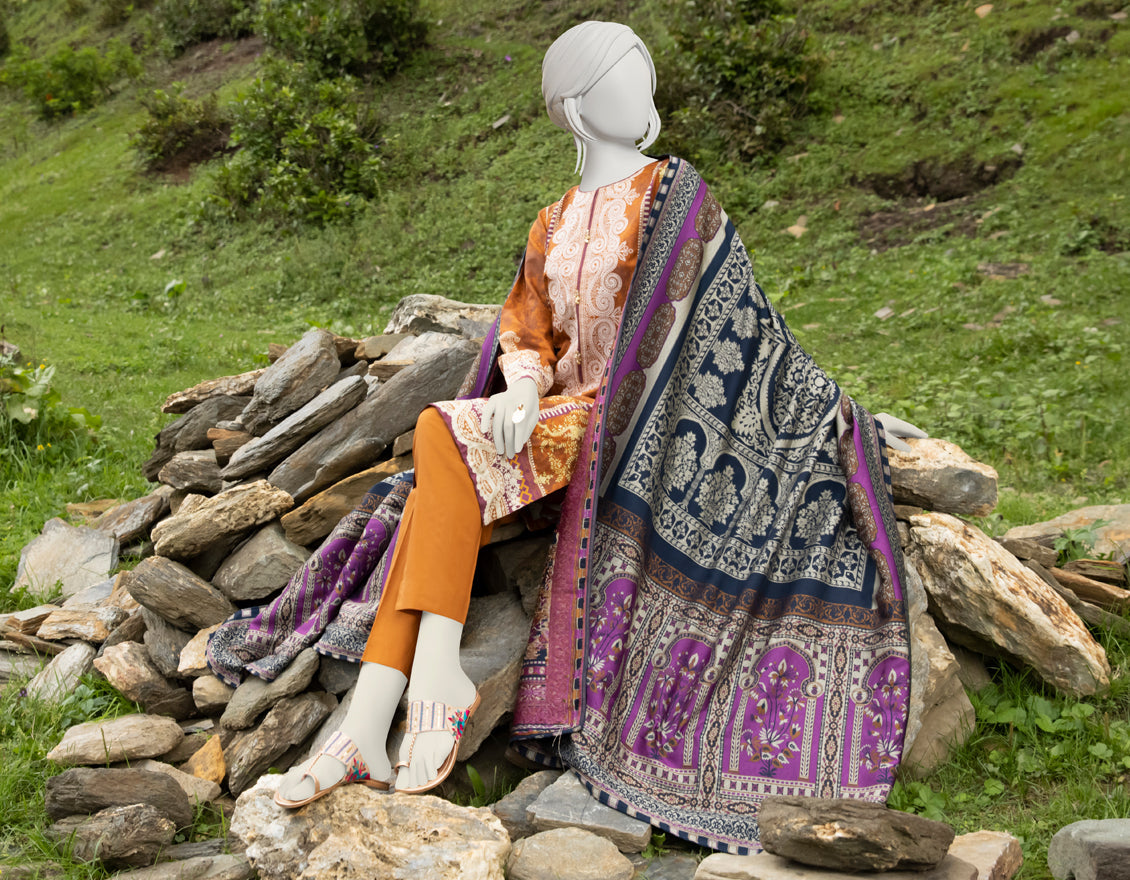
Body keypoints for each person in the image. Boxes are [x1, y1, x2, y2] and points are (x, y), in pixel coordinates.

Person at [208, 20, 923, 851]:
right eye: (625, 79)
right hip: (555, 421)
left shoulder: (675, 195)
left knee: (438, 443)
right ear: (577, 105)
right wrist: (519, 386)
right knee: (442, 456)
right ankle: (382, 716)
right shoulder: (551, 221)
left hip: (634, 434)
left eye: (644, 76)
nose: (644, 95)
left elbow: (747, 330)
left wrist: (836, 410)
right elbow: (528, 329)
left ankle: (381, 711)